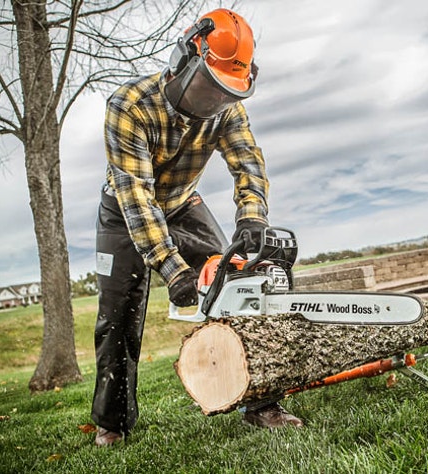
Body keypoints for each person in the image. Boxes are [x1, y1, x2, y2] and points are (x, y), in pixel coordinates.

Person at [91, 8, 303, 447]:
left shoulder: (226, 110)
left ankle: (261, 402)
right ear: (185, 59)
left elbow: (248, 163)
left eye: (226, 92)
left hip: (184, 202)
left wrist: (252, 217)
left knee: (240, 284)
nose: (215, 102)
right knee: (118, 319)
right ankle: (112, 424)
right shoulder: (129, 105)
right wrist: (172, 268)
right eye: (210, 87)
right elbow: (137, 197)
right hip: (125, 210)